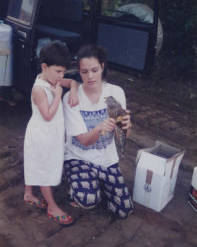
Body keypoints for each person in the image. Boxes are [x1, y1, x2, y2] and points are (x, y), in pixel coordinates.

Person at [63, 44, 134, 218]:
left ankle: (98, 182)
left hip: (106, 159)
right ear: (79, 72)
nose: (90, 76)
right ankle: (75, 186)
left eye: (94, 70)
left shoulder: (116, 92)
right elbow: (84, 141)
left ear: (102, 66)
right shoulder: (71, 98)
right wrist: (99, 128)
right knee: (87, 199)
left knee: (123, 211)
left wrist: (126, 126)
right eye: (84, 72)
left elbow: (121, 136)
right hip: (79, 158)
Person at [24, 40, 79, 226]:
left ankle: (29, 193)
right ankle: (52, 206)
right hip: (42, 134)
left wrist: (72, 90)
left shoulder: (51, 78)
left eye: (63, 71)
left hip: (50, 133)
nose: (61, 76)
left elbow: (72, 82)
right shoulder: (40, 89)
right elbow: (47, 114)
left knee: (36, 162)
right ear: (44, 67)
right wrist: (57, 96)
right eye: (58, 71)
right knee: (44, 168)